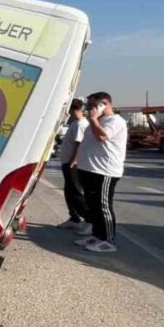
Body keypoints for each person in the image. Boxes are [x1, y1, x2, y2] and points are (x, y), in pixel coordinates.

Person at [76, 92, 128, 253]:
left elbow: (102, 136)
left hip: (104, 171)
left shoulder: (115, 120)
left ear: (103, 104)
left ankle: (108, 240)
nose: (90, 109)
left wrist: (93, 119)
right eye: (89, 106)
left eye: (93, 105)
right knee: (93, 206)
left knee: (103, 206)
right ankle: (97, 235)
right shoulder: (99, 120)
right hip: (89, 169)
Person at [57, 99, 91, 232]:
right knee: (69, 192)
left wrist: (73, 161)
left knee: (76, 192)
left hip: (73, 164)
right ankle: (74, 218)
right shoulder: (75, 123)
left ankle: (89, 219)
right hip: (67, 162)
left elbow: (79, 144)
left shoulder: (81, 124)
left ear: (70, 109)